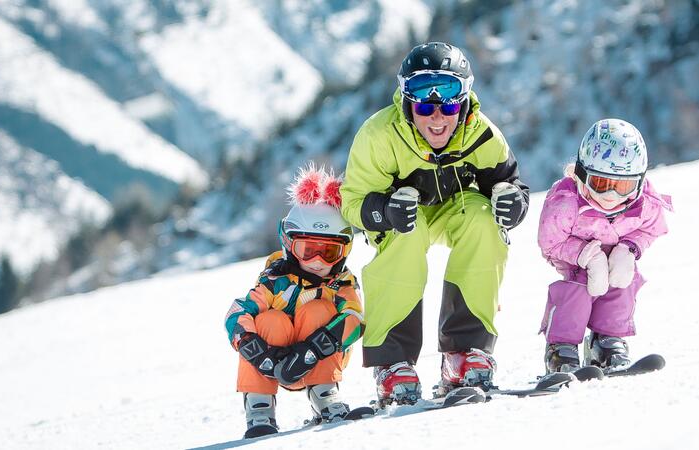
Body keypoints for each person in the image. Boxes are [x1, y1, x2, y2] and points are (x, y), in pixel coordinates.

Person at [339, 42, 529, 406]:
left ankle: (464, 352)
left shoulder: (480, 134)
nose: (437, 116)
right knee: (405, 236)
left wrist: (512, 204)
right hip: (403, 215)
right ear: (408, 103)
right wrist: (386, 211)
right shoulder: (380, 136)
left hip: (454, 209)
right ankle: (392, 363)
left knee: (484, 219)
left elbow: (511, 184)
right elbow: (352, 201)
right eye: (425, 104)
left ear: (466, 101)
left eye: (450, 102)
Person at [224, 167, 364, 438]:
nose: (317, 262)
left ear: (344, 251)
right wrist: (250, 344)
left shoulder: (341, 284)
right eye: (308, 250)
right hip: (271, 359)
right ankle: (259, 409)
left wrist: (314, 348)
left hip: (319, 358)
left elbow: (354, 319)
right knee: (268, 319)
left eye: (329, 252)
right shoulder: (276, 280)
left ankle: (326, 398)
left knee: (320, 310)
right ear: (290, 245)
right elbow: (240, 310)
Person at [537, 118, 673, 374]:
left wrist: (630, 249)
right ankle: (561, 349)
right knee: (578, 289)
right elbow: (549, 241)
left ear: (639, 182)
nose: (611, 196)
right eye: (601, 184)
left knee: (622, 281)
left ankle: (607, 342)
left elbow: (653, 228)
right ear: (582, 174)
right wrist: (584, 255)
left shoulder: (644, 203)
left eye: (623, 186)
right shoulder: (567, 202)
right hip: (575, 259)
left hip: (616, 254)